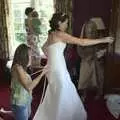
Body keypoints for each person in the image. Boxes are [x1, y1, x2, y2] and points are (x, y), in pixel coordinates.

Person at [33, 12, 113, 120]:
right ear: (59, 23)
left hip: (51, 68)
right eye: (65, 23)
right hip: (58, 69)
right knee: (63, 91)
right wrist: (103, 40)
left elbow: (43, 48)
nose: (67, 25)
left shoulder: (51, 33)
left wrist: (54, 56)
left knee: (57, 92)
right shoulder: (61, 35)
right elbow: (82, 42)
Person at [11, 44, 43, 120]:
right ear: (23, 56)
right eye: (29, 56)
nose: (31, 58)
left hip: (25, 100)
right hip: (20, 103)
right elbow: (29, 87)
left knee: (27, 116)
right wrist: (42, 74)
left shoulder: (21, 67)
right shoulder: (17, 67)